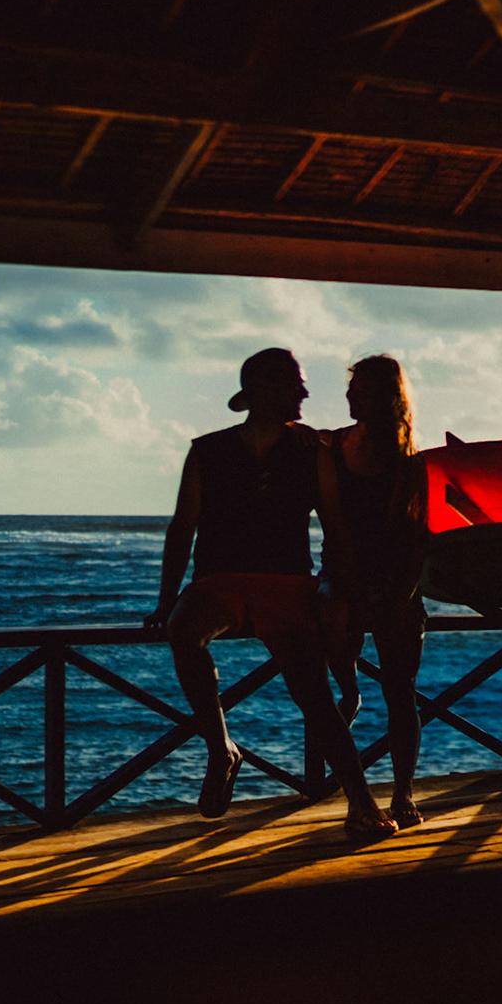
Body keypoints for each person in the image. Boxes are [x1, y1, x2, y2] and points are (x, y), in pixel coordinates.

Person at [145, 348, 396, 838]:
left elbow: (334, 526)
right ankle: (222, 749)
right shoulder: (207, 449)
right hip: (220, 580)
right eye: (294, 384)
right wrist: (166, 596)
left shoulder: (312, 451)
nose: (305, 392)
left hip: (286, 584)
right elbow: (183, 527)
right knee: (182, 629)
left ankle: (361, 803)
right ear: (264, 388)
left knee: (315, 697)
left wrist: (342, 593)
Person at [316, 355, 430, 828]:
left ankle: (402, 792)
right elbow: (333, 523)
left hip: (395, 579)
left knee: (401, 691)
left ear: (383, 397)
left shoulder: (410, 459)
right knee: (331, 676)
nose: (348, 397)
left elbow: (420, 535)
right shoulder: (331, 446)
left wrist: (400, 592)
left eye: (358, 390)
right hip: (342, 575)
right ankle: (349, 689)